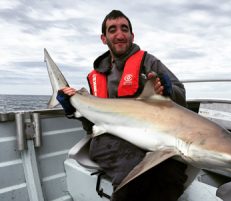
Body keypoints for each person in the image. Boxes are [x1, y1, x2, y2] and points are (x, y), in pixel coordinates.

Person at [57, 10, 187, 201]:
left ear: (132, 35)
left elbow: (180, 95)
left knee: (172, 172)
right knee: (134, 170)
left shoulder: (148, 62)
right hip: (106, 138)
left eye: (124, 29)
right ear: (104, 38)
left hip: (148, 134)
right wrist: (72, 109)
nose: (119, 34)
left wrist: (168, 91)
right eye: (112, 30)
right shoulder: (95, 76)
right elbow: (90, 126)